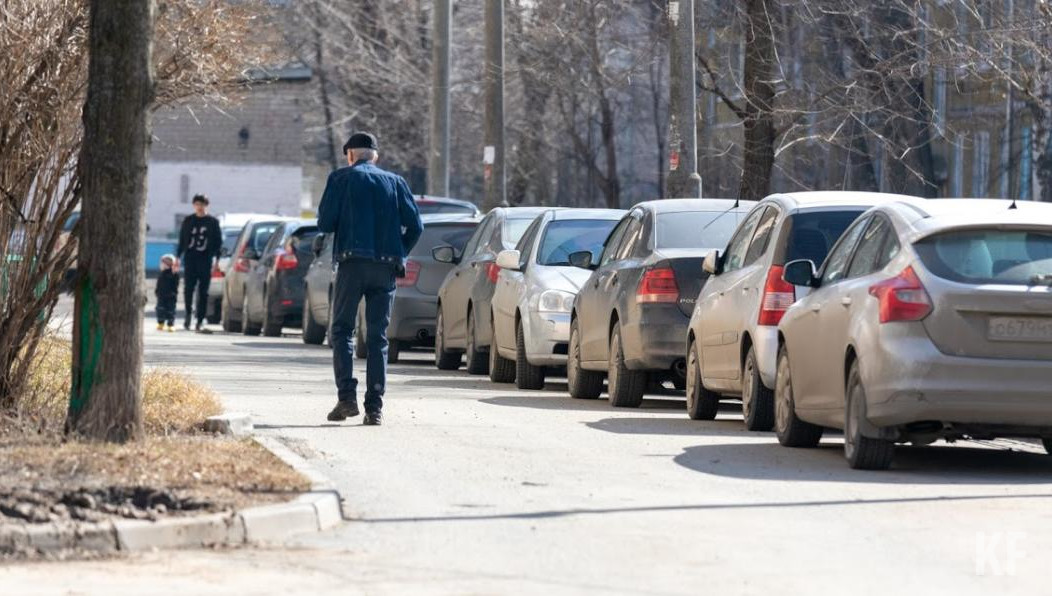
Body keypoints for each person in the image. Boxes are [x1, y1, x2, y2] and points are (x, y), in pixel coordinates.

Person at [318, 132, 423, 426]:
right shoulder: (396, 182)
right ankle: (374, 408)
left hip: (351, 264)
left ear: (350, 155)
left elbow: (325, 222)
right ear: (375, 156)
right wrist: (399, 253)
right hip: (385, 268)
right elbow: (416, 226)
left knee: (342, 330)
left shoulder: (340, 179)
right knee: (378, 337)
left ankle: (346, 398)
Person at [176, 194, 222, 331]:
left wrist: (217, 260)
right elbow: (182, 239)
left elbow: (218, 242)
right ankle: (188, 315)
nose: (199, 207)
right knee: (188, 288)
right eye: (197, 204)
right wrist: (178, 257)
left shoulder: (212, 222)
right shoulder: (188, 220)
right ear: (193, 205)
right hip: (190, 258)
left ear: (206, 205)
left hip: (205, 259)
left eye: (202, 204)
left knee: (203, 291)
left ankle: (200, 319)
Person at [155, 254, 179, 332]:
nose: (164, 265)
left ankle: (170, 324)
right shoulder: (161, 274)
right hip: (161, 295)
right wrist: (157, 291)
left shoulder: (173, 274)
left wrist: (174, 272)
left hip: (171, 296)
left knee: (170, 310)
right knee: (160, 309)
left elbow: (175, 284)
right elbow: (159, 284)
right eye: (163, 263)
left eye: (167, 263)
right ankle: (161, 323)